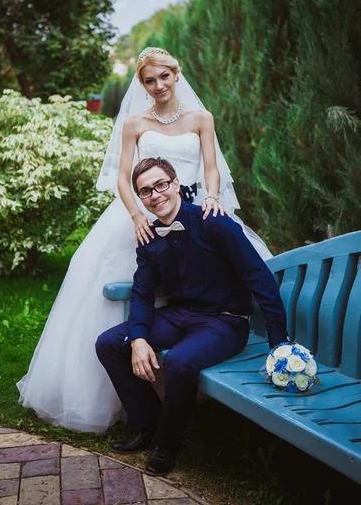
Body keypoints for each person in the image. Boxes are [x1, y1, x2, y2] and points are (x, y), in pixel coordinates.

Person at [17, 47, 272, 433]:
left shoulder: (202, 118)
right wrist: (138, 215)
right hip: (144, 210)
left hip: (192, 208)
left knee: (202, 283)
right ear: (142, 84)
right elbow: (123, 176)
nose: (158, 86)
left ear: (176, 74)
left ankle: (185, 377)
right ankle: (124, 400)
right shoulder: (135, 123)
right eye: (149, 81)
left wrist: (213, 200)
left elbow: (211, 167)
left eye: (164, 77)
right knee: (132, 294)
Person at [96, 157, 288, 476]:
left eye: (161, 185)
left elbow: (259, 277)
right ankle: (147, 424)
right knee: (111, 343)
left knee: (180, 362)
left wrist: (279, 343)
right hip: (179, 314)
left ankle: (166, 445)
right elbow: (142, 293)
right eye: (145, 191)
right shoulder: (149, 237)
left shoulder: (213, 221)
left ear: (176, 185)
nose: (155, 195)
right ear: (140, 199)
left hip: (224, 320)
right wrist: (139, 337)